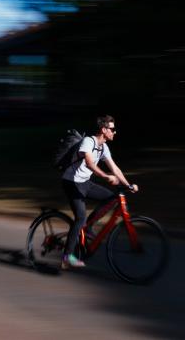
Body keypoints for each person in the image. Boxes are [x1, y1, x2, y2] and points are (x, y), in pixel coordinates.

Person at [60, 115, 139, 269]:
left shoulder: (104, 147)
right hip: (71, 182)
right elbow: (89, 162)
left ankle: (88, 227)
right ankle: (67, 257)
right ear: (104, 130)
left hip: (85, 182)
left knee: (112, 198)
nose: (114, 132)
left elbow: (114, 168)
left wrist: (128, 185)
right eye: (112, 129)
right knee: (81, 217)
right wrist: (105, 176)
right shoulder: (88, 142)